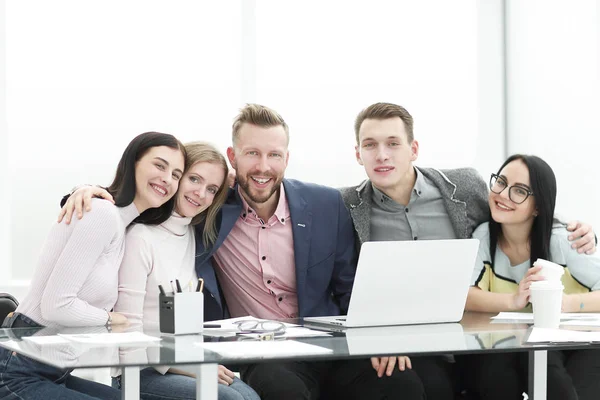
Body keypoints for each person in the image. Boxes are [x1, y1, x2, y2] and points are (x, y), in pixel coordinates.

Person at [62, 104, 426, 400]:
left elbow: (351, 288)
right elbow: (156, 188)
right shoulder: (214, 207)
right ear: (234, 156)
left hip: (326, 346)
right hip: (262, 355)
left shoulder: (327, 204)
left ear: (287, 158)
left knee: (401, 383)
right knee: (282, 389)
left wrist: (380, 338)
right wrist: (89, 192)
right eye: (252, 153)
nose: (263, 166)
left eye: (273, 155)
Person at [339, 102, 597, 399]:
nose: (382, 155)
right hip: (404, 345)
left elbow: (520, 211)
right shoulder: (346, 206)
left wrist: (578, 231)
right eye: (370, 145)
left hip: (466, 343)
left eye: (393, 143)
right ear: (358, 154)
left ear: (414, 149)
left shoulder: (463, 187)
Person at [0, 132, 186, 400]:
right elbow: (57, 304)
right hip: (18, 370)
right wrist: (111, 319)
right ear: (132, 163)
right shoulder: (102, 214)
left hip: (54, 370)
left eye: (177, 174)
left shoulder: (121, 225)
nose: (168, 179)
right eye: (160, 165)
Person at [111, 141, 259, 400]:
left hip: (183, 362)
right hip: (138, 371)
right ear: (176, 176)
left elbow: (242, 198)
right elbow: (128, 330)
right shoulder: (140, 237)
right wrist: (189, 368)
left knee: (248, 395)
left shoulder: (192, 234)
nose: (201, 194)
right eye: (194, 179)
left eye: (211, 188)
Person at [463, 154, 600, 400]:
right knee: (492, 375)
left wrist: (567, 304)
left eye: (519, 191)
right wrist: (513, 301)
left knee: (552, 376)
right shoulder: (483, 237)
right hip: (513, 343)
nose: (503, 195)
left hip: (577, 342)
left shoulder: (563, 240)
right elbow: (464, 295)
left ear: (538, 206)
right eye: (501, 182)